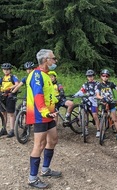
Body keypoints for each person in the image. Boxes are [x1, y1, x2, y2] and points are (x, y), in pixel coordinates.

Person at [26, 49, 61, 189]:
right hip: (40, 115)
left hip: (49, 114)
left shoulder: (46, 75)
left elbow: (49, 95)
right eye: (53, 58)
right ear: (46, 60)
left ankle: (45, 169)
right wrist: (45, 112)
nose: (55, 61)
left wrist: (53, 109)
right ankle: (32, 178)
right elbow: (38, 96)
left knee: (53, 140)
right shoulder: (36, 75)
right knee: (39, 145)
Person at [96, 69, 117, 141]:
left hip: (111, 103)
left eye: (106, 76)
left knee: (114, 119)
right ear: (101, 76)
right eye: (103, 75)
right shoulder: (99, 85)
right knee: (103, 117)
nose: (105, 77)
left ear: (108, 77)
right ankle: (103, 131)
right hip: (104, 103)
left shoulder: (111, 84)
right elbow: (97, 95)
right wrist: (102, 98)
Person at [73, 70, 100, 137]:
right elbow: (81, 91)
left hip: (94, 101)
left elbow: (97, 91)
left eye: (91, 76)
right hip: (86, 101)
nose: (90, 77)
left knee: (95, 115)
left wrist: (96, 95)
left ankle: (98, 130)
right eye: (88, 76)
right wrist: (75, 95)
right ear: (87, 77)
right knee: (84, 115)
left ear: (94, 76)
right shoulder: (85, 84)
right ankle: (85, 129)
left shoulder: (97, 84)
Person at [0, 62, 19, 138]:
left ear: (10, 70)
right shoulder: (2, 78)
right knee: (3, 113)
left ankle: (12, 130)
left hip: (10, 95)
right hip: (2, 96)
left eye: (7, 70)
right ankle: (4, 129)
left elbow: (17, 84)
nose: (6, 71)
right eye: (4, 69)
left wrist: (10, 88)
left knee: (11, 113)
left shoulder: (13, 77)